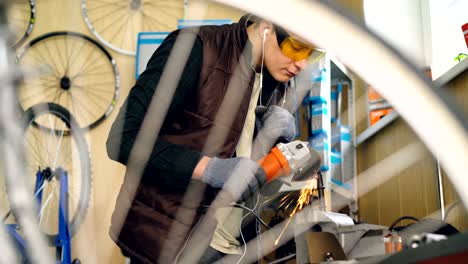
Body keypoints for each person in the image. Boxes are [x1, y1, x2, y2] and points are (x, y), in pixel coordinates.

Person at [106, 14, 314, 263]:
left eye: (311, 54)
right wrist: (208, 168)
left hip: (233, 247)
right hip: (167, 243)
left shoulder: (280, 79)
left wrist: (273, 145)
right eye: (296, 47)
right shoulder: (196, 50)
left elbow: (244, 163)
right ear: (267, 28)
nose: (301, 63)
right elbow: (122, 139)